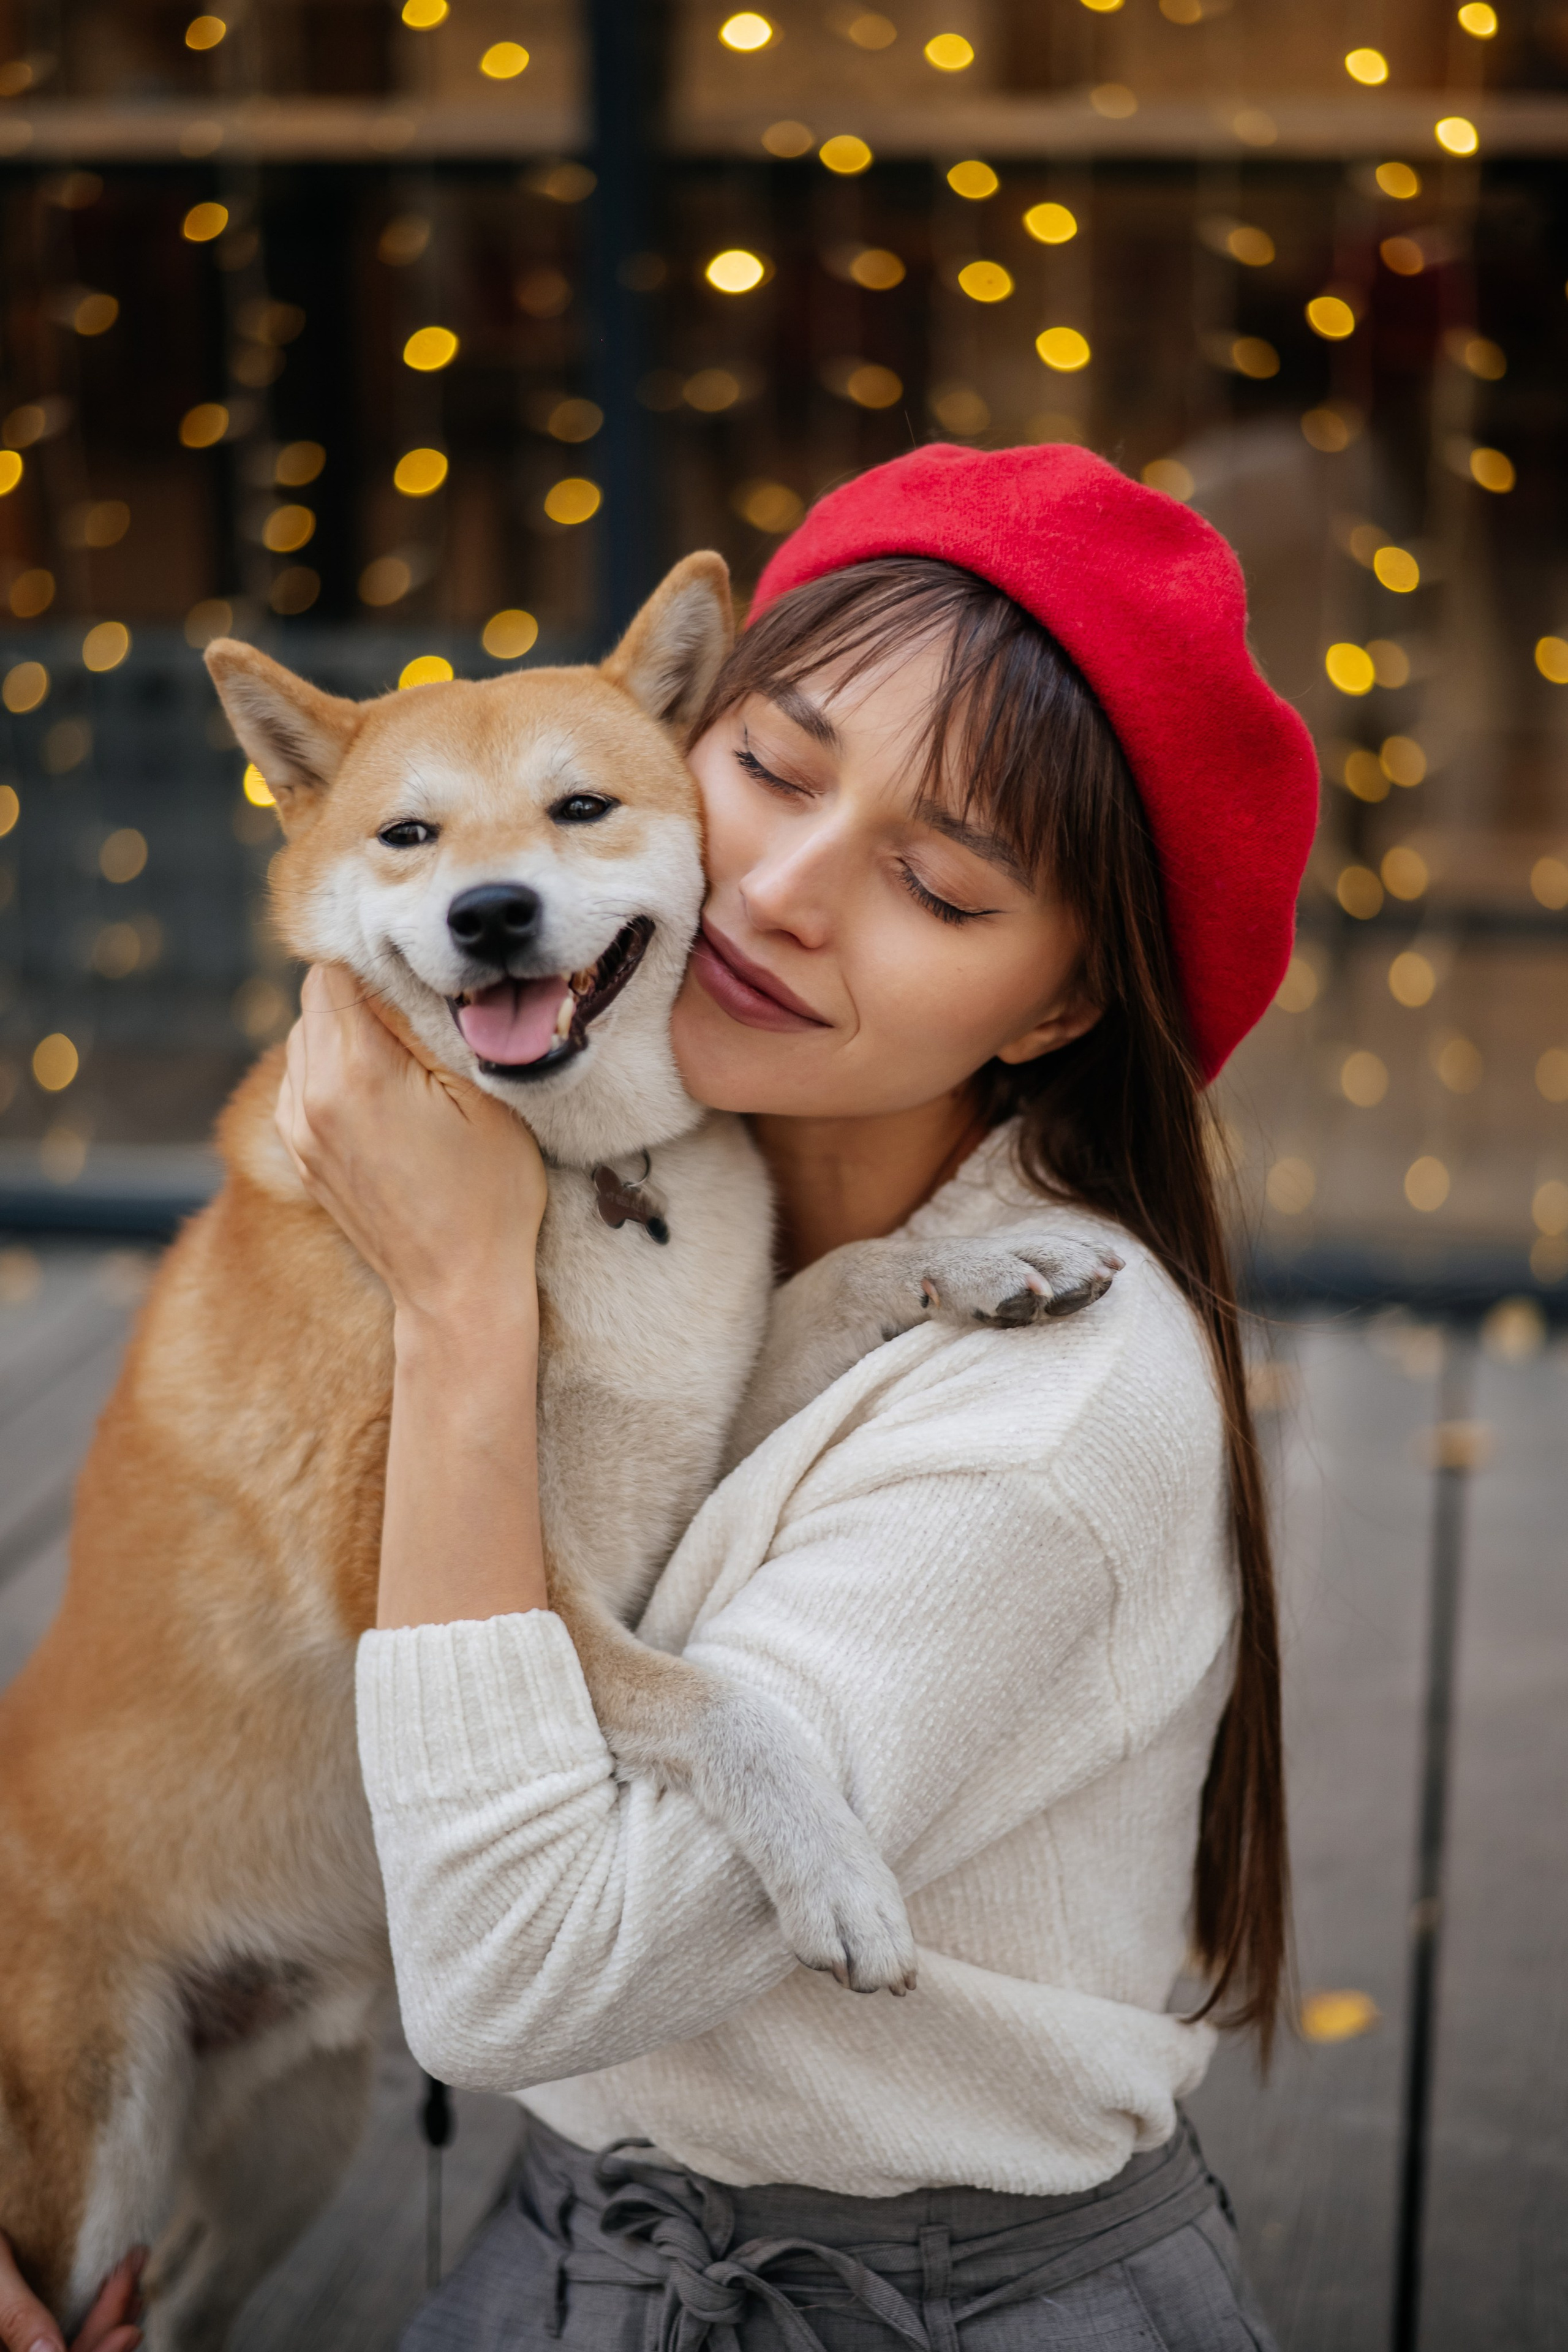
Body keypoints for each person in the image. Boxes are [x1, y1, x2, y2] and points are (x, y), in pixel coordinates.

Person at [0, 442, 1316, 2352]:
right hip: (515, 2183)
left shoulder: (1042, 1433)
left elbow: (515, 1982)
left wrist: (462, 1306)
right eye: (771, 774)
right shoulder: (680, 1169)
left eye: (936, 885)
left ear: (1055, 1007)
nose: (780, 890)